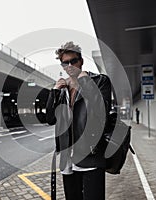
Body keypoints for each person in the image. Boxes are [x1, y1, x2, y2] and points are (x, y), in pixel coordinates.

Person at [46, 41, 112, 200]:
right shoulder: (61, 90)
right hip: (67, 157)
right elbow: (49, 118)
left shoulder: (99, 81)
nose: (70, 65)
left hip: (91, 154)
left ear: (81, 61)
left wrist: (86, 84)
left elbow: (102, 110)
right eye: (65, 63)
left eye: (73, 61)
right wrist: (54, 92)